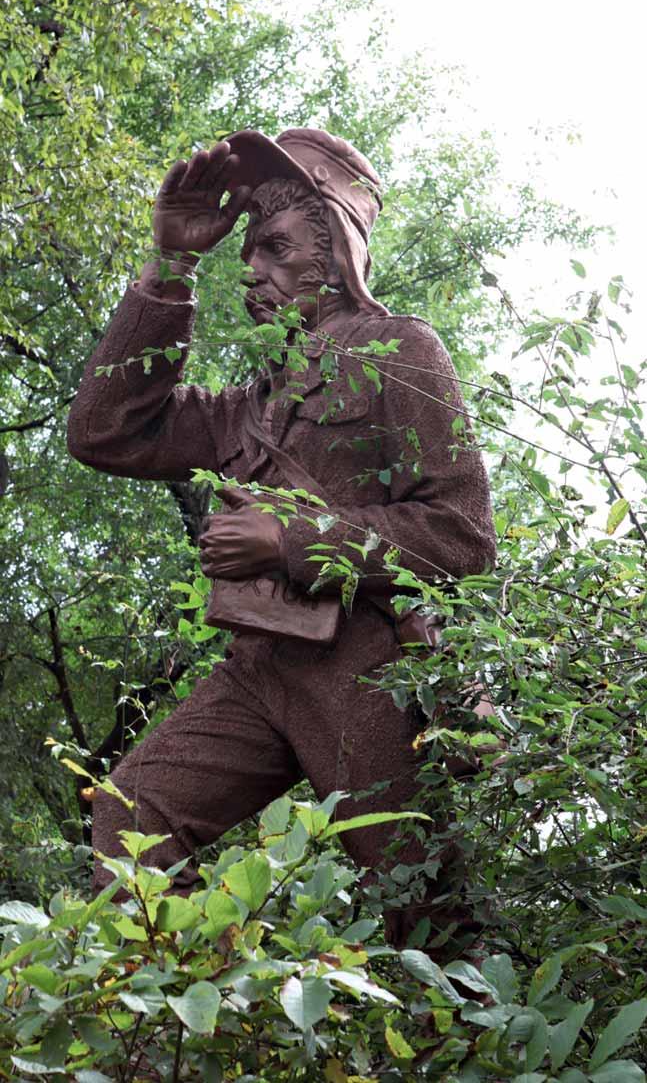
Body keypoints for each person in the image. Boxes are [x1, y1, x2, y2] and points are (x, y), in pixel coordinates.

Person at [67, 128, 496, 953]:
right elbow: (105, 433)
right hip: (260, 667)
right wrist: (171, 266)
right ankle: (176, 1041)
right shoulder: (243, 407)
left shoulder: (399, 351)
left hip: (367, 670)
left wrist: (290, 539)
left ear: (333, 253)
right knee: (134, 810)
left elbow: (462, 537)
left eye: (273, 248)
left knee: (420, 914)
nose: (251, 271)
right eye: (248, 252)